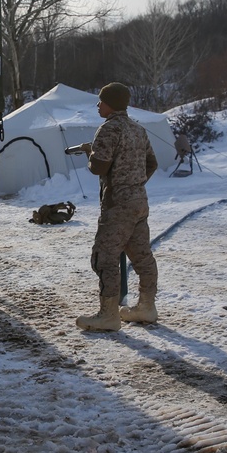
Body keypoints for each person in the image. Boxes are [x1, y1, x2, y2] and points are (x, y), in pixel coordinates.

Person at [75, 82, 160, 331]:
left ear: (110, 103)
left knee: (104, 256)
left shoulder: (108, 129)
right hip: (139, 201)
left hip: (117, 205)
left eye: (101, 101)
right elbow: (152, 163)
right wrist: (134, 183)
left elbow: (99, 167)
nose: (98, 105)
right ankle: (146, 306)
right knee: (142, 255)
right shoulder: (138, 129)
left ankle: (108, 314)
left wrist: (90, 153)